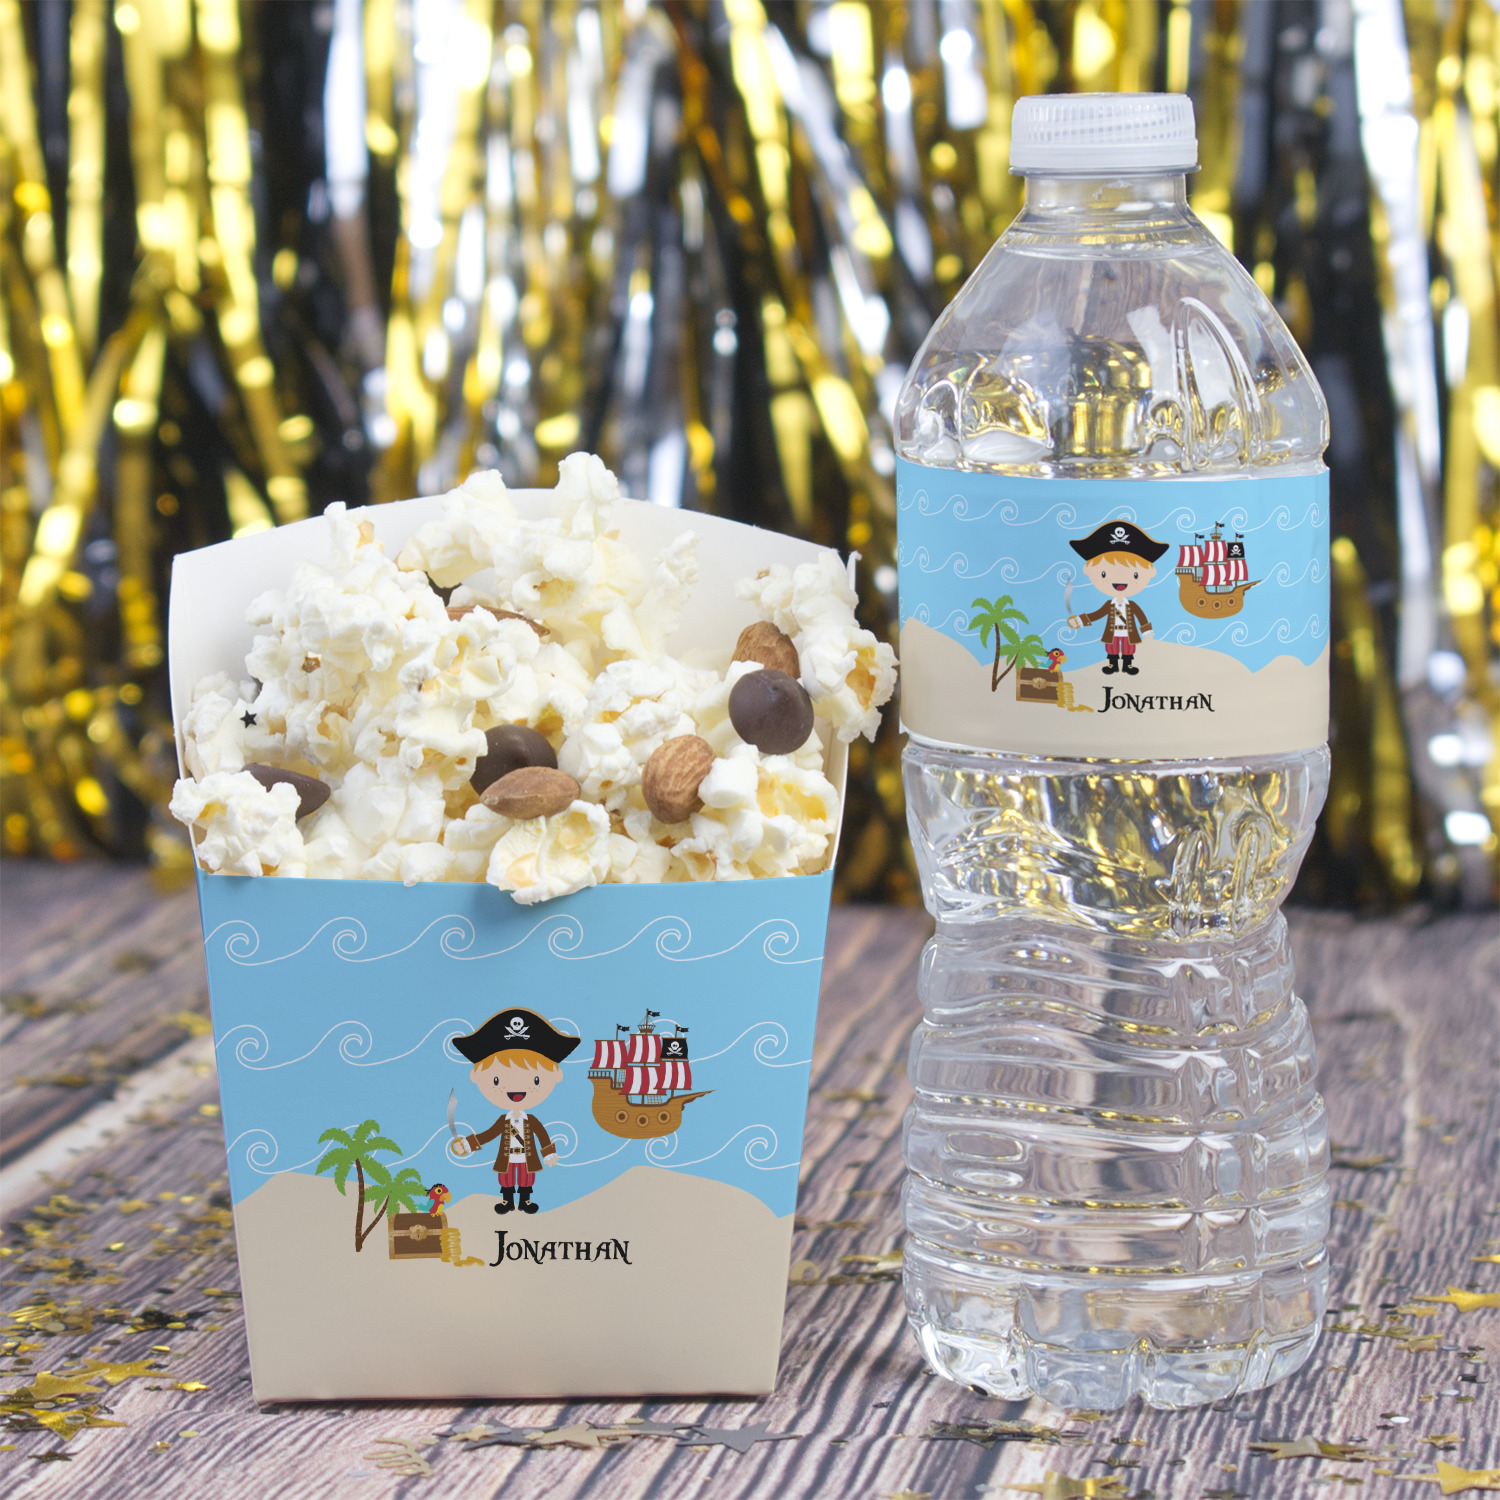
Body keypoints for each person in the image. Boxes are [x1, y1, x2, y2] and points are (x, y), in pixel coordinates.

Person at [449, 1007, 580, 1215]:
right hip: (508, 1157)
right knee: (507, 1178)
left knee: (527, 1178)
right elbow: (489, 1134)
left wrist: (549, 1153)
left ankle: (525, 1200)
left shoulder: (531, 1120)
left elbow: (542, 1135)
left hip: (527, 1157)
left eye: (535, 1079)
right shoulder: (504, 1120)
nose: (516, 1088)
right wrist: (467, 1144)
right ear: (476, 1076)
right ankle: (507, 1201)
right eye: (496, 1080)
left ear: (556, 1075)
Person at [1065, 520, 1169, 676]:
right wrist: (1079, 621)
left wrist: (1147, 631)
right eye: (1104, 574)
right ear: (1088, 570)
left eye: (1135, 575)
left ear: (1150, 572)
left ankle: (1127, 665)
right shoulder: (1109, 605)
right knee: (1112, 649)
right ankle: (1112, 665)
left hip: (1128, 633)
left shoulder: (1131, 605)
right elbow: (1097, 614)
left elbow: (1141, 616)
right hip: (1113, 633)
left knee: (1128, 649)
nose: (1119, 581)